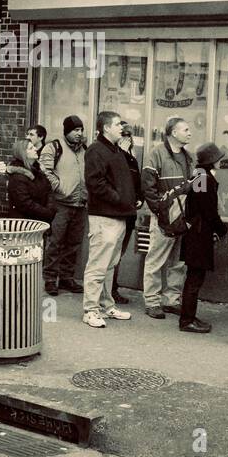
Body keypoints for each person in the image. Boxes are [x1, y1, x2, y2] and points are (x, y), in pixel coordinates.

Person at [82, 111, 135, 329]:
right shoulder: (96, 150)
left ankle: (106, 305)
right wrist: (121, 200)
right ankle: (90, 310)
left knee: (110, 264)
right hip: (105, 216)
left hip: (118, 215)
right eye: (116, 124)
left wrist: (128, 201)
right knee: (98, 264)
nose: (121, 127)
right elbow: (95, 183)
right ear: (105, 128)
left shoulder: (115, 150)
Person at [141, 116, 194, 319]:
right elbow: (148, 186)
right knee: (156, 259)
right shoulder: (156, 154)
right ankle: (152, 302)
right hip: (163, 218)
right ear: (173, 132)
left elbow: (194, 185)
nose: (189, 133)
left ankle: (171, 300)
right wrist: (161, 212)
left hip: (182, 218)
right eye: (186, 129)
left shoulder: (189, 157)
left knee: (178, 262)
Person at [179, 142, 227, 334]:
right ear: (211, 161)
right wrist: (221, 229)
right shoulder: (204, 178)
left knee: (193, 278)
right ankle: (187, 320)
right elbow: (208, 210)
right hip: (199, 236)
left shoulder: (199, 175)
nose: (221, 163)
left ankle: (188, 316)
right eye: (218, 159)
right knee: (194, 279)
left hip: (194, 234)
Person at [41, 115, 88, 297]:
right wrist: (59, 187)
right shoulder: (53, 147)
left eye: (81, 130)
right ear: (67, 131)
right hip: (61, 204)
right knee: (55, 242)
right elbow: (45, 171)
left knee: (74, 243)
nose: (79, 133)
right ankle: (51, 279)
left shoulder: (84, 149)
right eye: (75, 130)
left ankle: (67, 278)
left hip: (80, 203)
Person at [113, 126, 143, 306]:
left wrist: (140, 198)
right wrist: (122, 154)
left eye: (129, 136)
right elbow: (117, 180)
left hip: (129, 212)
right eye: (123, 136)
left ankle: (112, 288)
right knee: (112, 254)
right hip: (116, 212)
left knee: (119, 254)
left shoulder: (131, 159)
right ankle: (109, 290)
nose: (127, 139)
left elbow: (136, 182)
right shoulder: (115, 157)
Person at [7, 135, 55, 223]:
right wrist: (47, 213)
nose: (35, 149)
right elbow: (24, 204)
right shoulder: (17, 177)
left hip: (40, 221)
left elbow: (48, 190)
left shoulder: (38, 171)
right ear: (23, 153)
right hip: (24, 225)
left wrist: (50, 209)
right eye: (31, 148)